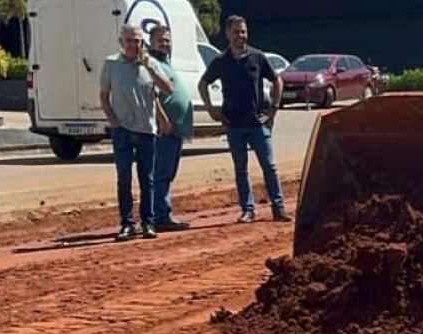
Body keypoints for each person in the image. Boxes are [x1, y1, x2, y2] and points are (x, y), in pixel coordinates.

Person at [197, 15, 292, 224]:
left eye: (243, 31)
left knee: (270, 166)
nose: (241, 35)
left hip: (258, 124)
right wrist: (211, 108)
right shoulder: (221, 61)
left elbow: (277, 80)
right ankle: (248, 210)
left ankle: (279, 207)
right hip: (234, 125)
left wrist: (274, 108)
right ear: (228, 34)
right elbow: (202, 84)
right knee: (241, 169)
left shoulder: (257, 57)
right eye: (236, 32)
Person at [100, 24, 173, 242]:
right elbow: (104, 95)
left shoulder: (150, 64)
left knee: (147, 179)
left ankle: (148, 223)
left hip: (147, 131)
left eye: (138, 41)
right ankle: (127, 224)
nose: (134, 45)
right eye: (130, 40)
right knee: (124, 178)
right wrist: (114, 122)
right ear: (121, 41)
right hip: (122, 130)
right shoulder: (111, 63)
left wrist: (149, 67)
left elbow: (168, 89)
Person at [148, 24, 193, 231]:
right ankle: (160, 216)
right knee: (162, 173)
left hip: (176, 130)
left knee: (168, 172)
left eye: (167, 40)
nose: (165, 44)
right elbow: (152, 95)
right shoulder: (152, 64)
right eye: (161, 40)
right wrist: (164, 120)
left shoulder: (166, 62)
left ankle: (162, 213)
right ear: (151, 42)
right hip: (165, 130)